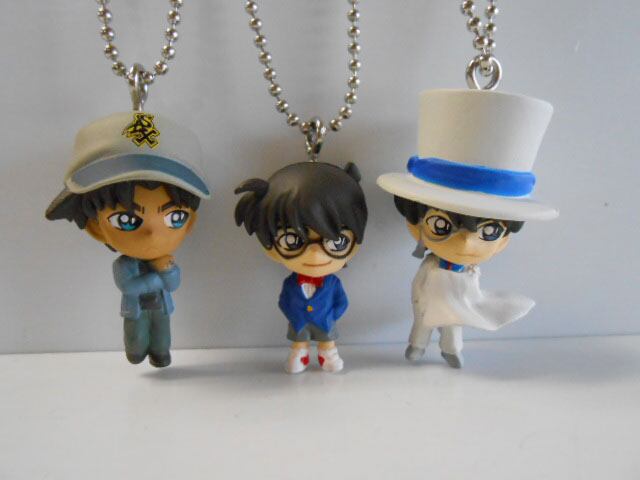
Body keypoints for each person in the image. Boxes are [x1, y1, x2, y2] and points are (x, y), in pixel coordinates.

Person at [377, 89, 558, 368]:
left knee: (453, 329)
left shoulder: (470, 271)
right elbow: (417, 285)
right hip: (427, 306)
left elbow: (472, 294)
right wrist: (418, 304)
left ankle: (451, 351)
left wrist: (472, 304)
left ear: (505, 239)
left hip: (456, 308)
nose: (466, 243)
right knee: (423, 325)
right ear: (414, 223)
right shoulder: (431, 266)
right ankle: (417, 346)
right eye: (441, 225)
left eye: (489, 232)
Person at [46, 112, 210, 367]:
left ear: (190, 224)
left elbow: (173, 282)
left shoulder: (164, 261)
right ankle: (137, 353)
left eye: (175, 217)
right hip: (135, 310)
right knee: (136, 337)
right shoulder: (125, 264)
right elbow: (130, 287)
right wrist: (160, 274)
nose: (152, 234)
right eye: (126, 220)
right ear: (96, 227)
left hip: (161, 307)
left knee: (162, 334)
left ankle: (160, 354)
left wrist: (167, 272)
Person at [235, 161, 368, 373]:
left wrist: (331, 316)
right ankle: (299, 357)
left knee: (328, 345)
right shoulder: (291, 283)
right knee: (298, 345)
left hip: (325, 323)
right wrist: (293, 315)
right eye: (292, 241)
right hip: (299, 323)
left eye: (336, 241)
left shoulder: (332, 283)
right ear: (270, 247)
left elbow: (342, 302)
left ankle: (328, 357)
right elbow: (283, 301)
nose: (314, 253)